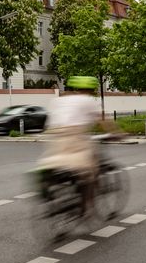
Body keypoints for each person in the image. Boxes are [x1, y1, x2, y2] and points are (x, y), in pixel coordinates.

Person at [36, 75, 105, 217]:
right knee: (91, 168)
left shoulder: (60, 100)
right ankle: (87, 206)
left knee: (59, 163)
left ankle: (49, 186)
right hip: (75, 137)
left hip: (55, 137)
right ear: (91, 89)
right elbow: (103, 121)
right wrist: (118, 133)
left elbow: (49, 122)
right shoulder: (88, 100)